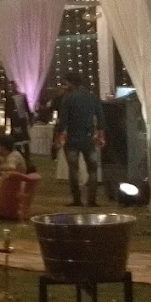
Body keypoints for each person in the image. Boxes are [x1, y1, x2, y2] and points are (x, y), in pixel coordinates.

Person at [55, 73, 105, 207]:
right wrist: (101, 134)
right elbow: (100, 117)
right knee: (92, 170)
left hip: (72, 139)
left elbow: (63, 121)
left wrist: (59, 136)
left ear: (71, 83)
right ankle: (92, 200)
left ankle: (77, 199)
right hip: (89, 138)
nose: (65, 86)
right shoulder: (92, 97)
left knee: (73, 170)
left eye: (66, 83)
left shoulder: (67, 98)